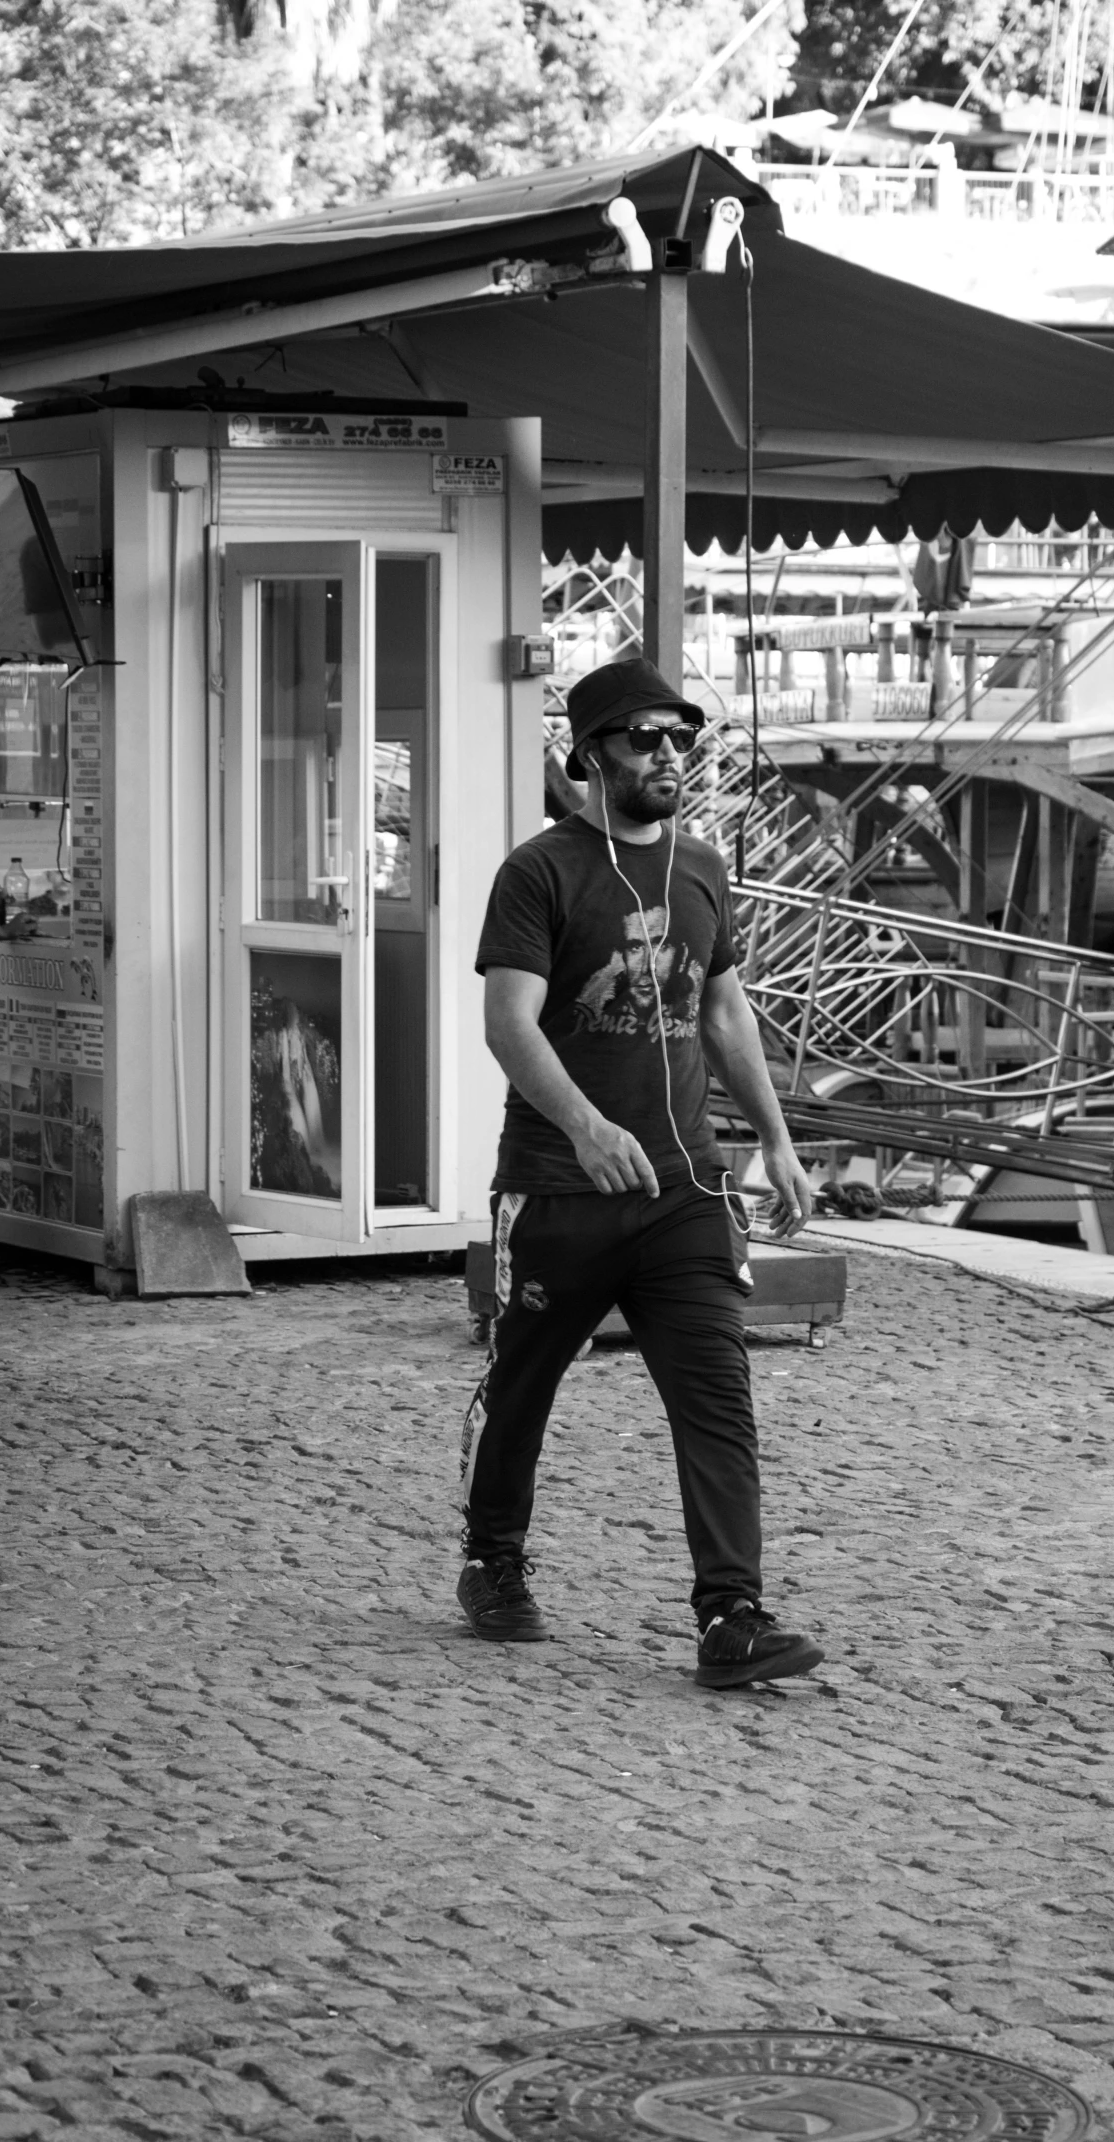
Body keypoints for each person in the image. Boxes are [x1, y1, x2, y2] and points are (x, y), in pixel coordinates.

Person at [461, 657, 823, 1690]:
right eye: (644, 738)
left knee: (717, 1398)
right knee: (522, 1384)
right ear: (590, 754)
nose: (669, 754)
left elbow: (722, 1013)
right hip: (560, 1190)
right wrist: (579, 1124)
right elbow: (508, 1021)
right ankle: (492, 1558)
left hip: (685, 1191)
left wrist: (776, 1138)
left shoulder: (703, 869)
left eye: (681, 738)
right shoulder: (538, 873)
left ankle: (731, 1617)